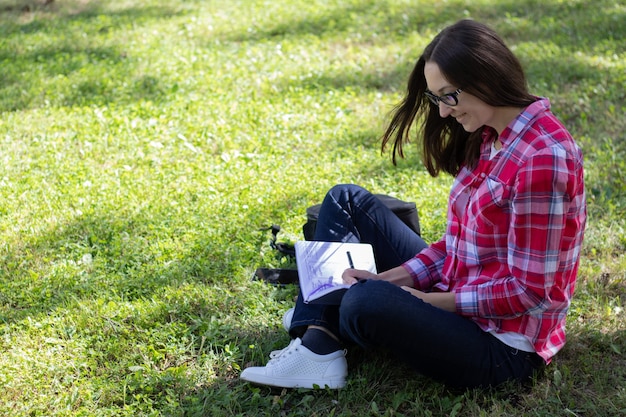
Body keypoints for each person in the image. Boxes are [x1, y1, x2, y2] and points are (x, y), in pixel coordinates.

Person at [240, 19, 586, 390]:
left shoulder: (542, 160)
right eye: (435, 98)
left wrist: (424, 302)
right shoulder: (493, 135)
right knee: (345, 200)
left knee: (364, 303)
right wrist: (388, 281)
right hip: (460, 285)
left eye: (448, 96)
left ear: (485, 77)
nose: (442, 112)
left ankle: (323, 328)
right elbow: (454, 248)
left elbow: (528, 293)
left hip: (502, 348)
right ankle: (320, 337)